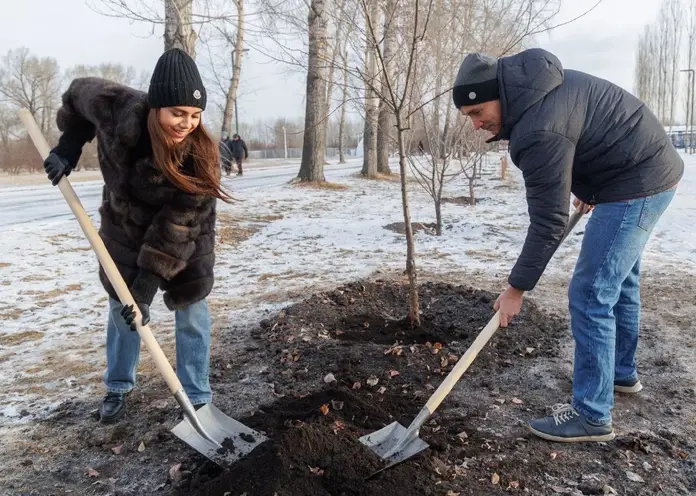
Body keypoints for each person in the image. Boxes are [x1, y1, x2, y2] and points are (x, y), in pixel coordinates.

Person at [452, 48, 683, 443]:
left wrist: (516, 289)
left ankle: (592, 415)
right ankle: (620, 374)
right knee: (618, 282)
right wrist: (592, 184)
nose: (475, 125)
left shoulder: (536, 129)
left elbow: (547, 223)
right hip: (641, 170)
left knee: (592, 292)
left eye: (477, 113)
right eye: (468, 118)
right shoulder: (538, 92)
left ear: (497, 94)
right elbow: (585, 132)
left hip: (636, 181)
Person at [43, 48, 232, 424]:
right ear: (155, 107)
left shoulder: (200, 159)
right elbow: (76, 96)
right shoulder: (115, 109)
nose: (186, 123)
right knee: (121, 308)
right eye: (178, 113)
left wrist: (145, 289)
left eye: (195, 115)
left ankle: (196, 396)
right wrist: (68, 148)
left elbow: (176, 230)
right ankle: (117, 386)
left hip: (182, 237)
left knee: (190, 308)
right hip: (124, 226)